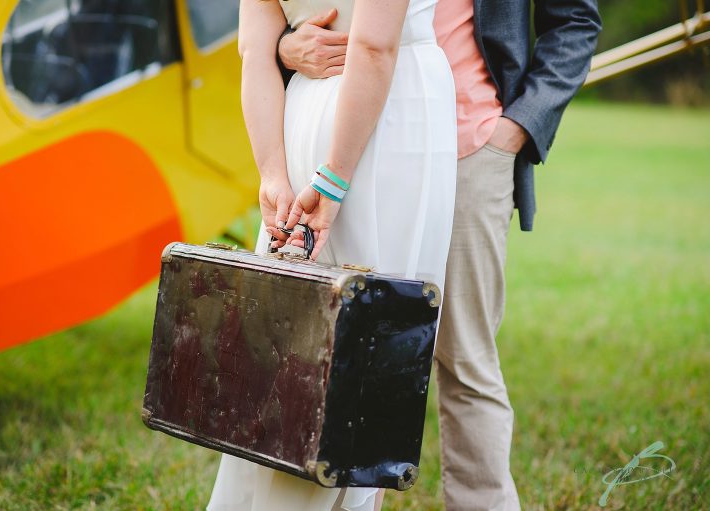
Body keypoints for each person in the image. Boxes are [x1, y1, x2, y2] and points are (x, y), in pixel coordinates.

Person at [276, 1, 601, 509]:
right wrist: (286, 45)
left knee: (466, 356)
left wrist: (517, 127)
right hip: (359, 149)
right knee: (338, 347)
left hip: (470, 145)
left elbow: (576, 18)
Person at [206, 0, 459, 510]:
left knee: (293, 345)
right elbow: (373, 44)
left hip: (299, 117)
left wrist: (272, 175)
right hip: (387, 120)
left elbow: (254, 52)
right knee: (370, 346)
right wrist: (335, 179)